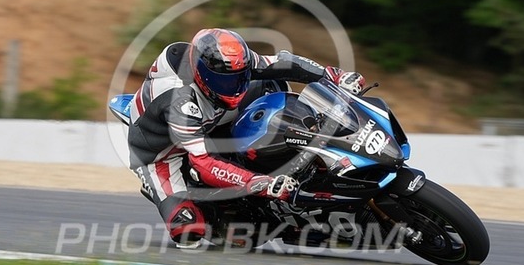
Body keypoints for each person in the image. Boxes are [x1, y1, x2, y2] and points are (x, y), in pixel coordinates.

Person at [127, 28, 365, 248]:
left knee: (271, 83)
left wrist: (332, 75)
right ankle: (167, 191)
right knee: (188, 230)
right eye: (224, 80)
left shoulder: (232, 63)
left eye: (239, 77)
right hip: (164, 154)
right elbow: (204, 162)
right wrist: (263, 184)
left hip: (213, 116)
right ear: (202, 74)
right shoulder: (179, 101)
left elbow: (281, 63)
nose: (234, 86)